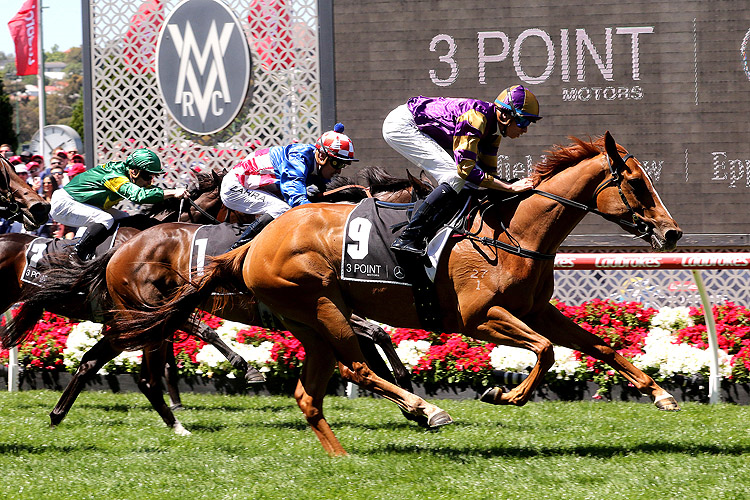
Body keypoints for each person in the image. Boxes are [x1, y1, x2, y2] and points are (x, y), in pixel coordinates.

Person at [382, 85, 540, 254]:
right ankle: (409, 237)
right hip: (403, 125)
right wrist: (509, 187)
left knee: (467, 183)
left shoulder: (493, 132)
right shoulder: (476, 119)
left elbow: (488, 175)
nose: (525, 129)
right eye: (522, 121)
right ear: (504, 115)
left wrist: (507, 188)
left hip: (418, 125)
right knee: (454, 177)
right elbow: (466, 170)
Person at [220, 123, 358, 249]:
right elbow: (296, 196)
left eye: (344, 164)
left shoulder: (317, 163)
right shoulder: (298, 158)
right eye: (337, 163)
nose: (339, 170)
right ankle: (234, 251)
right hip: (236, 187)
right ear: (321, 156)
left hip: (254, 185)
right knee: (282, 209)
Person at [49, 148, 186, 260]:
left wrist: (173, 193)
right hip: (64, 204)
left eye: (152, 177)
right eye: (147, 176)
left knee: (123, 217)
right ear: (134, 171)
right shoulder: (115, 177)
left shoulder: (128, 174)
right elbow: (138, 195)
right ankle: (77, 256)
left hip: (82, 203)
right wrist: (173, 192)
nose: (150, 182)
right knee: (105, 219)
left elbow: (148, 191)